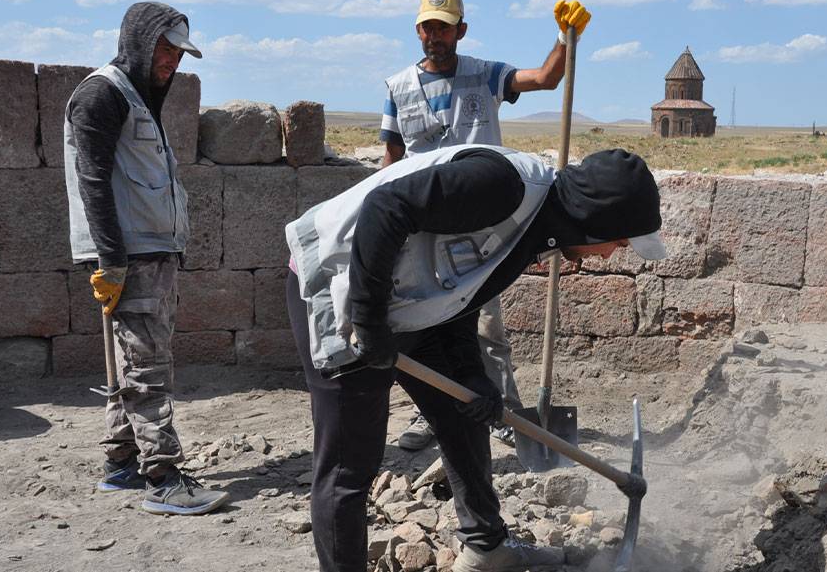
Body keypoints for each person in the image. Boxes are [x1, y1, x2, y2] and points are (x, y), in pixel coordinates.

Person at [285, 145, 666, 572]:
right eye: (617, 242)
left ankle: (487, 547)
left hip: (407, 301)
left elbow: (460, 291)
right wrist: (369, 321)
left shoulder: (536, 230)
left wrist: (470, 374)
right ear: (597, 224)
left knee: (465, 410)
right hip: (340, 288)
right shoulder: (502, 187)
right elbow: (385, 207)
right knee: (348, 466)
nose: (612, 255)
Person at [380, 0, 592, 450]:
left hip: (478, 225)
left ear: (461, 30)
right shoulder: (398, 87)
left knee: (484, 324)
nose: (435, 34)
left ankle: (501, 409)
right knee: (421, 322)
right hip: (420, 227)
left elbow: (545, 80)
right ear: (418, 29)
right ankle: (432, 413)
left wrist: (565, 39)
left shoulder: (485, 75)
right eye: (428, 26)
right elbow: (391, 161)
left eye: (444, 27)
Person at [63, 1, 228, 516]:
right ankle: (164, 478)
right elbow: (91, 181)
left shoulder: (137, 97)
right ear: (136, 40)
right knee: (147, 369)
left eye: (178, 54)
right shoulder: (101, 94)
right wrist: (111, 261)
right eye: (163, 48)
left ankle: (121, 464)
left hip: (150, 251)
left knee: (135, 363)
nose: (171, 62)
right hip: (128, 255)